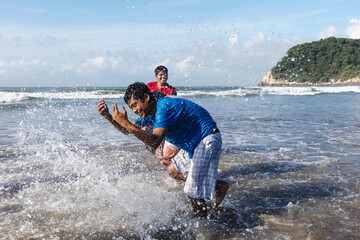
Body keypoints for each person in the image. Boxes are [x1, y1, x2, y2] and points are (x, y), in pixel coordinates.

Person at [98, 82, 229, 218]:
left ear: (146, 97)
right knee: (173, 171)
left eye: (135, 104)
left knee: (191, 190)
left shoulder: (164, 108)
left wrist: (125, 122)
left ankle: (202, 223)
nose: (134, 110)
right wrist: (108, 117)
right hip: (193, 143)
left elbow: (155, 141)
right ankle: (217, 186)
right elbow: (128, 130)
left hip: (207, 138)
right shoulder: (150, 113)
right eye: (131, 107)